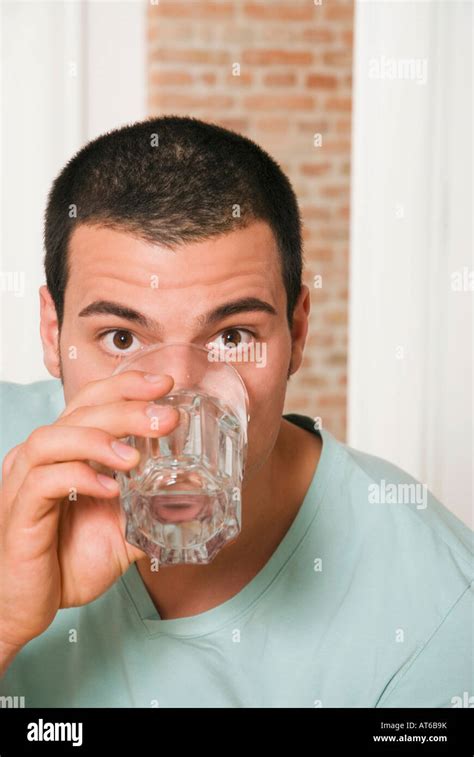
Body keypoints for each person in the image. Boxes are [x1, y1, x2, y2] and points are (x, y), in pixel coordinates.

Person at [0, 116, 472, 708]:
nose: (174, 400)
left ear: (297, 332)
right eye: (121, 338)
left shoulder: (439, 613)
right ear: (52, 331)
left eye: (231, 337)